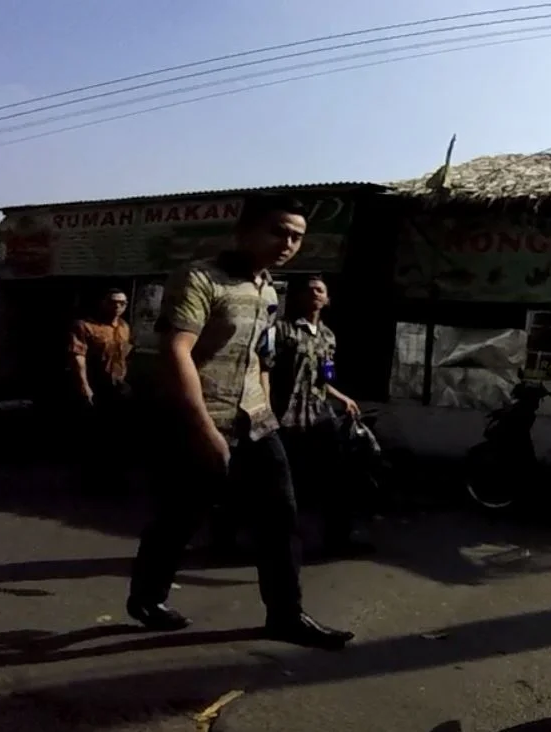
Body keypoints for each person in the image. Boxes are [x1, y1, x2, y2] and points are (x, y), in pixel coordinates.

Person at [126, 194, 353, 650]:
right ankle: (147, 598)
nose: (288, 243)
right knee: (181, 516)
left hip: (257, 421)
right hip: (200, 418)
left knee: (281, 516)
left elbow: (261, 358)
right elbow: (176, 351)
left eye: (297, 237)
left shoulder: (269, 290)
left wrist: (268, 410)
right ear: (245, 231)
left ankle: (286, 616)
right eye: (278, 232)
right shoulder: (199, 278)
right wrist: (205, 429)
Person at [266, 274, 372, 557]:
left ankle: (338, 540)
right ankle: (271, 543)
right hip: (284, 417)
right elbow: (263, 369)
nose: (315, 293)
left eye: (320, 290)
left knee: (336, 479)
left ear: (327, 300)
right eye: (310, 289)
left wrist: (342, 397)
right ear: (300, 297)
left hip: (317, 417)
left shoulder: (327, 336)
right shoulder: (282, 330)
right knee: (279, 482)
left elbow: (324, 377)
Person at [67, 287, 133, 487]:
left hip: (119, 386)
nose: (117, 306)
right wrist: (84, 386)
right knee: (95, 435)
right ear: (103, 303)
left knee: (119, 435)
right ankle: (91, 480)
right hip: (97, 386)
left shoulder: (124, 327)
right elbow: (78, 357)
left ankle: (117, 478)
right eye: (113, 302)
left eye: (121, 303)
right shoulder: (85, 326)